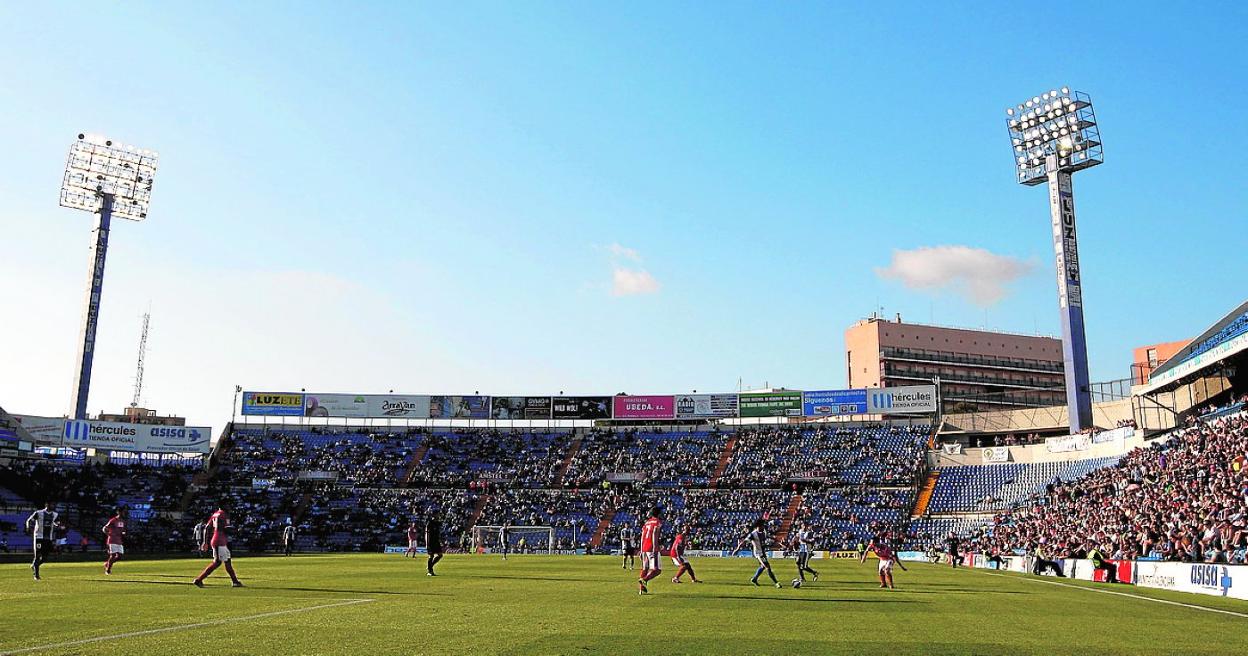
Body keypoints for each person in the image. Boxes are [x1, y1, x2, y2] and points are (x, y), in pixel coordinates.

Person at [193, 505, 243, 588]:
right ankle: (199, 580)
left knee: (227, 561)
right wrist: (236, 530)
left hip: (219, 540)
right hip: (219, 541)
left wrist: (205, 542)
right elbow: (226, 529)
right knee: (217, 562)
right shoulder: (224, 514)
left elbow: (207, 528)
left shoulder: (215, 514)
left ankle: (235, 581)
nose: (230, 508)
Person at [732, 519, 781, 588]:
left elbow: (765, 539)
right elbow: (744, 542)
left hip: (762, 552)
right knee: (767, 567)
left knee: (762, 566)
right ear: (759, 526)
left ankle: (754, 579)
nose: (764, 527)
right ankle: (776, 583)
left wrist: (774, 539)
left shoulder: (763, 532)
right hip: (758, 553)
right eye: (762, 526)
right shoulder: (753, 534)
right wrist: (737, 549)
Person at [26, 501, 58, 581]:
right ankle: (36, 575)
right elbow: (29, 520)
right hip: (39, 537)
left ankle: (34, 565)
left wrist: (58, 525)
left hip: (48, 539)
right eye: (52, 504)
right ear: (47, 504)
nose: (53, 505)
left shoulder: (55, 514)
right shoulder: (38, 513)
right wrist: (28, 528)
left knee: (44, 558)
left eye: (54, 504)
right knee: (37, 556)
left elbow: (57, 523)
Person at [637, 506, 664, 594]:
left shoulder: (647, 522)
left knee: (645, 568)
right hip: (651, 548)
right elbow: (654, 534)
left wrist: (641, 550)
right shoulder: (657, 522)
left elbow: (642, 537)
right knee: (657, 570)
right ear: (658, 513)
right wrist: (655, 547)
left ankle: (641, 589)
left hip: (644, 548)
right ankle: (644, 580)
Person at [102, 507, 127, 575]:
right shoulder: (113, 520)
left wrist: (123, 533)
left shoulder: (122, 521)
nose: (124, 513)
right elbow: (104, 528)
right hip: (112, 540)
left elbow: (122, 530)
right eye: (123, 512)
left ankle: (107, 564)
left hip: (119, 540)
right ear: (118, 512)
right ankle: (108, 570)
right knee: (112, 555)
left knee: (119, 556)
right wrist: (108, 534)